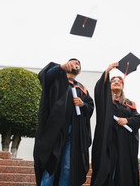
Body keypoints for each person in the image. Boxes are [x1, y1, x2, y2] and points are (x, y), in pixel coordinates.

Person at [33, 58, 94, 186]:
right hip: (54, 130)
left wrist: (83, 104)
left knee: (67, 167)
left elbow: (90, 106)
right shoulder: (56, 79)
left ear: (80, 71)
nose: (75, 64)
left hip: (74, 132)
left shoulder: (82, 88)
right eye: (72, 62)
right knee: (51, 164)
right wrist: (61, 67)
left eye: (78, 63)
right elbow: (45, 76)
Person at [91, 62, 140, 186]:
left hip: (124, 143)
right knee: (108, 170)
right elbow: (99, 89)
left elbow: (138, 118)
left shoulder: (129, 103)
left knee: (123, 172)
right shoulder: (105, 100)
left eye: (119, 80)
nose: (116, 81)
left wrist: (127, 121)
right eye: (113, 80)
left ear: (123, 86)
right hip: (108, 141)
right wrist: (108, 70)